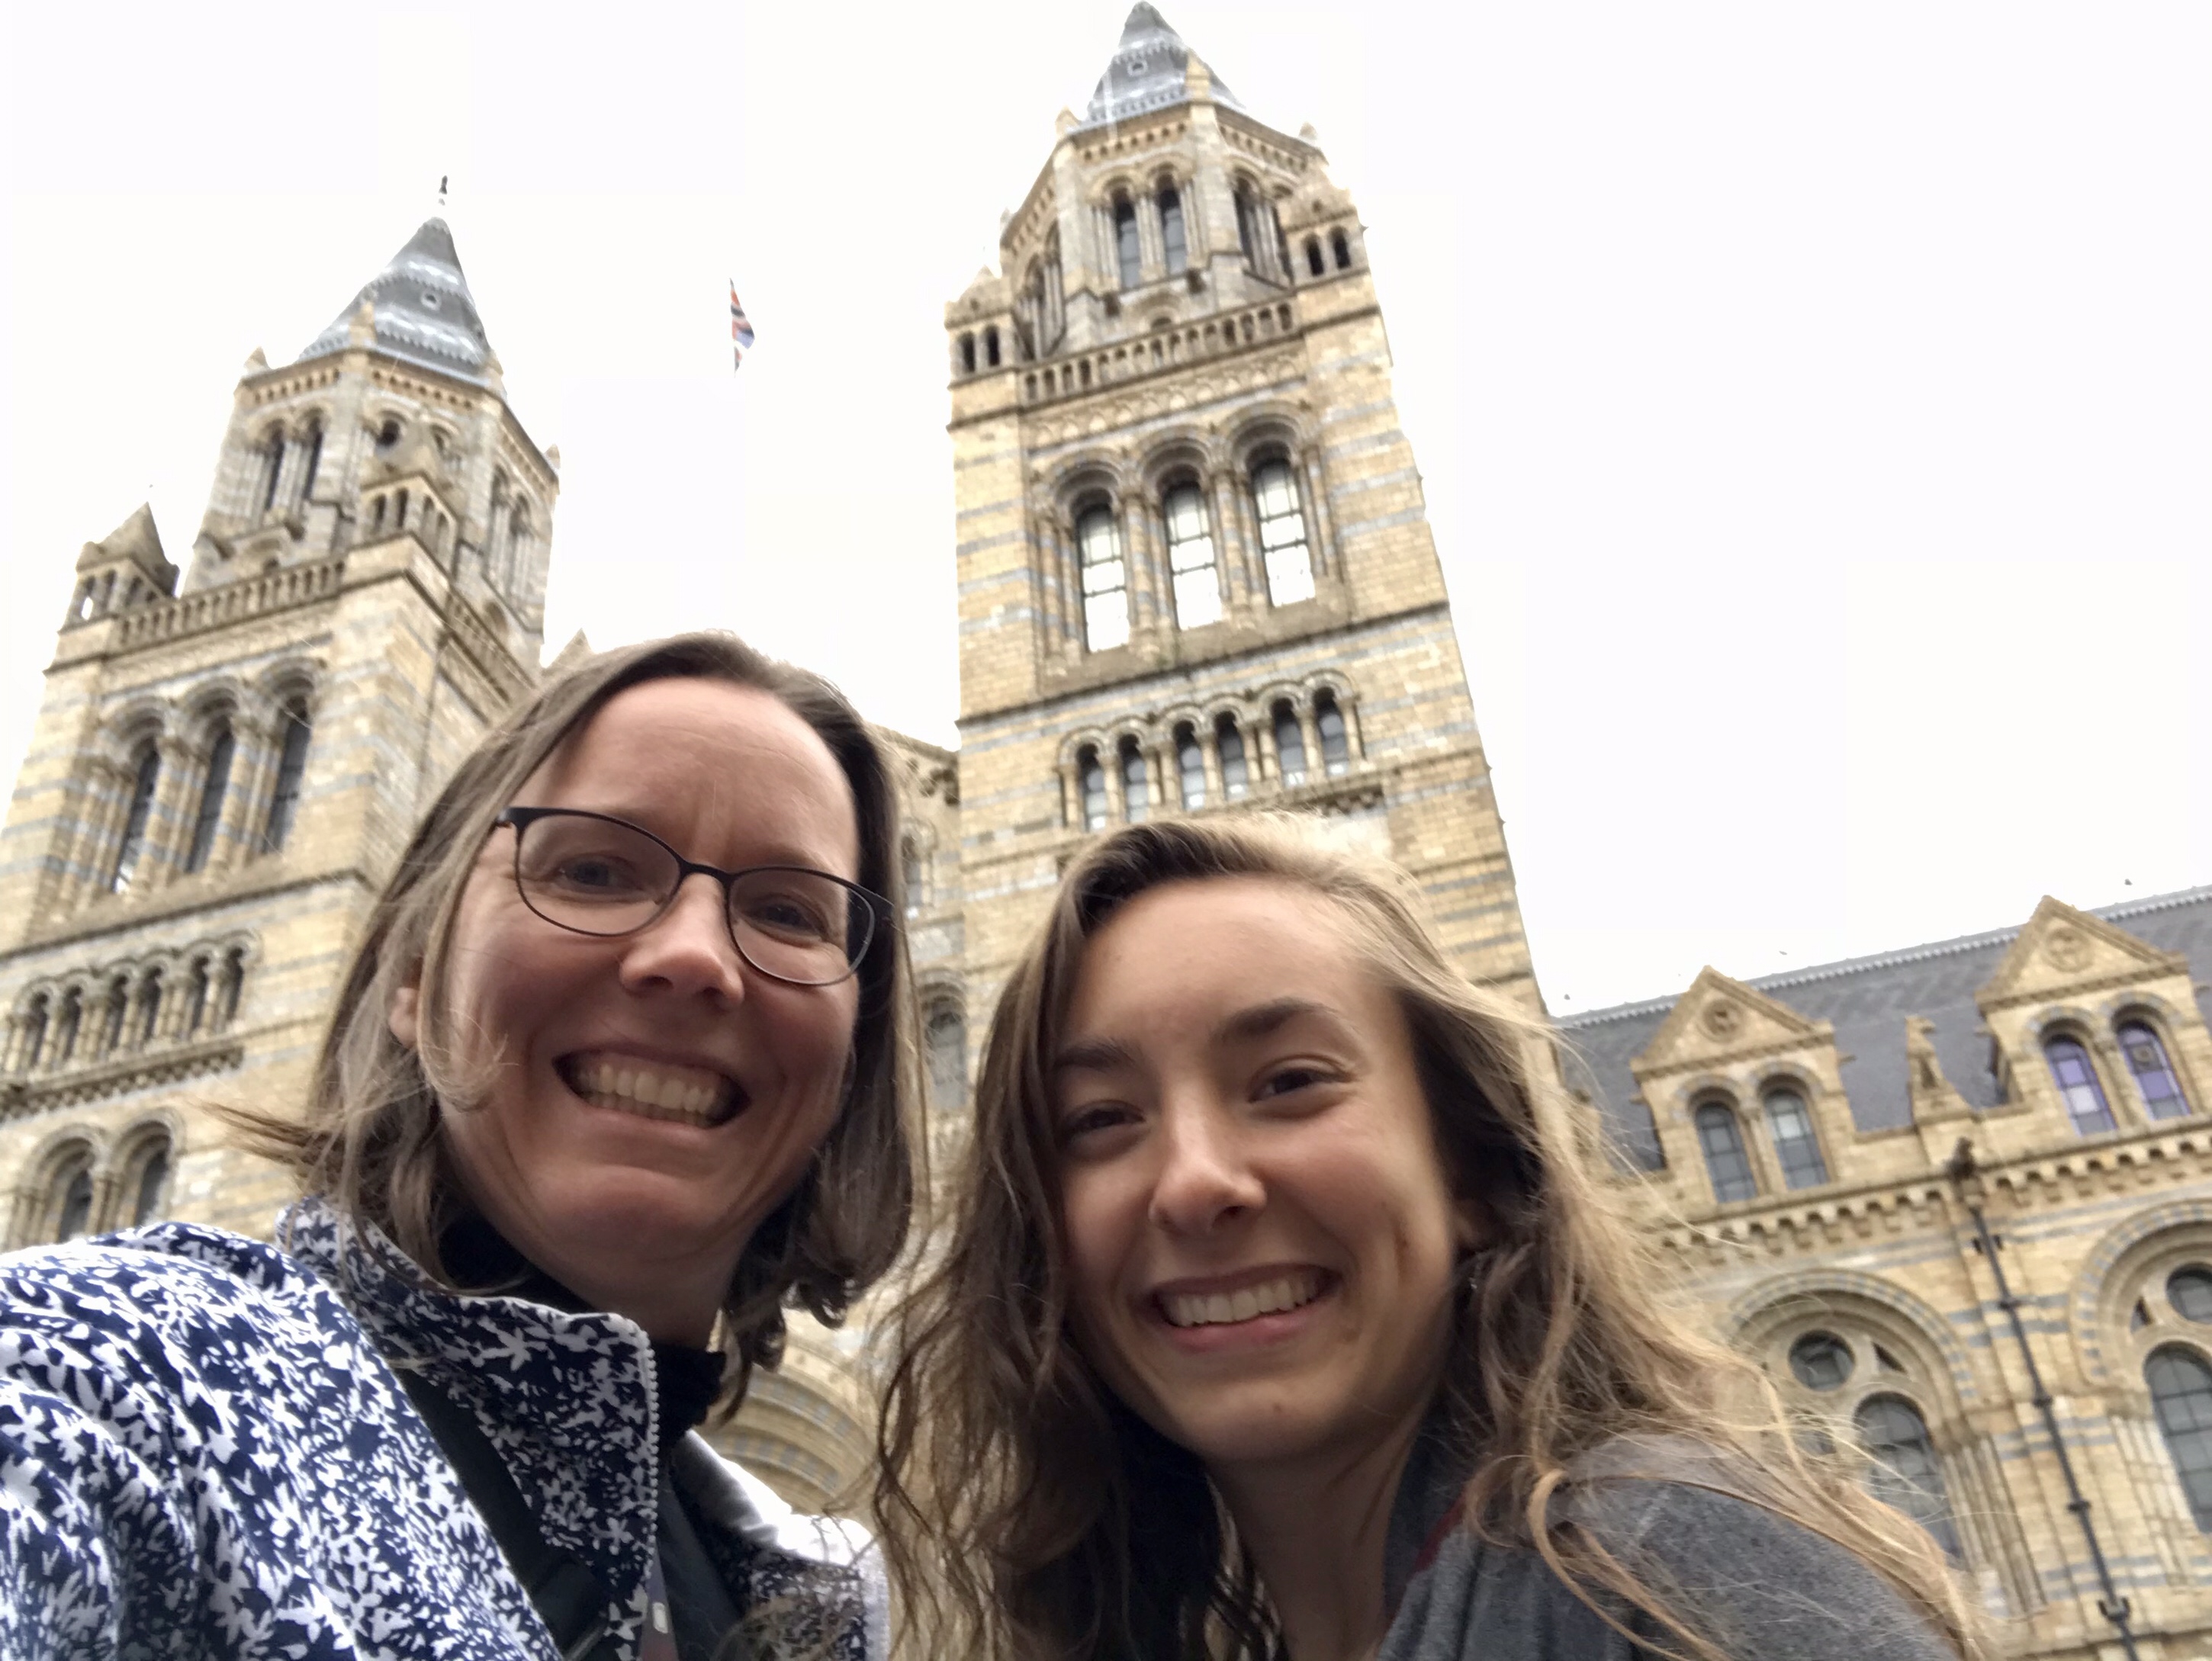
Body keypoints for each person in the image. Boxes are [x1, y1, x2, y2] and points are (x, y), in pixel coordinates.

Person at [0, 632, 917, 1661]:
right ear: (415, 970)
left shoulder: (800, 1597)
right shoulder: (136, 1369)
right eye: (593, 869)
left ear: (857, 1054)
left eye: (787, 912)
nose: (695, 956)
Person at [877, 817, 1985, 1661]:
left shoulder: (1647, 1571)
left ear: (1477, 1172)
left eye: (1290, 1081)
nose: (1197, 1179)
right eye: (1099, 1119)